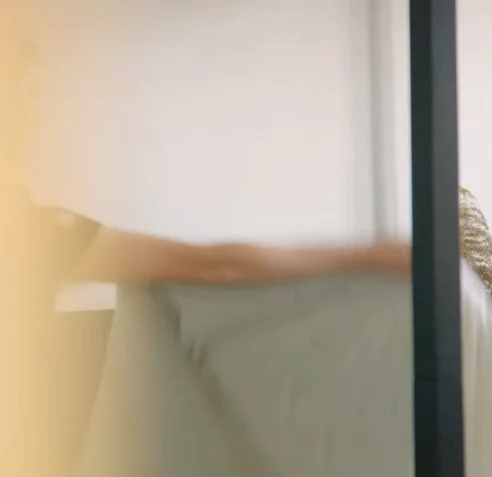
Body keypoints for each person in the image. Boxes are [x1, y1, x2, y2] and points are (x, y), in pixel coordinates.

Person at [2, 29, 412, 290]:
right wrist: (367, 258)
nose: (36, 116)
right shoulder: (31, 232)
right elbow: (214, 266)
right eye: (26, 96)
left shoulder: (36, 229)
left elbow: (213, 265)